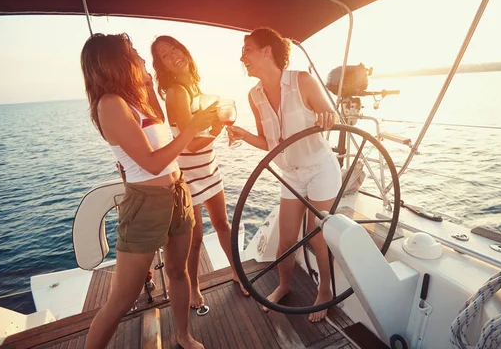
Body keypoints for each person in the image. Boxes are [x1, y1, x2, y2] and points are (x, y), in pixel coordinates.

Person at [81, 33, 216, 349]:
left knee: (178, 272)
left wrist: (152, 86)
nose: (142, 57)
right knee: (122, 299)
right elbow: (153, 163)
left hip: (178, 194)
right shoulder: (111, 104)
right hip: (146, 205)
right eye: (134, 53)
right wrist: (193, 128)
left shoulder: (140, 98)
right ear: (116, 62)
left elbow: (162, 148)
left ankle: (183, 335)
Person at [229, 27, 341, 322]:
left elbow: (333, 117)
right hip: (290, 175)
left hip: (319, 168)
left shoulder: (302, 80)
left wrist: (327, 117)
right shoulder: (254, 96)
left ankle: (325, 291)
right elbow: (269, 142)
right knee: (286, 240)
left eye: (247, 50)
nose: (243, 57)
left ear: (267, 51)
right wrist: (242, 133)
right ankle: (284, 285)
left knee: (316, 235)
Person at [151, 35, 249, 309]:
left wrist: (217, 123)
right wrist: (218, 129)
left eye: (174, 49)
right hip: (188, 173)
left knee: (223, 225)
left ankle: (237, 274)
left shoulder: (195, 88)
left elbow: (202, 133)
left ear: (184, 51)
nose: (173, 56)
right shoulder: (176, 92)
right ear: (163, 67)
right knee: (196, 237)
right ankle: (194, 288)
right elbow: (191, 144)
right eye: (165, 56)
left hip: (209, 167)